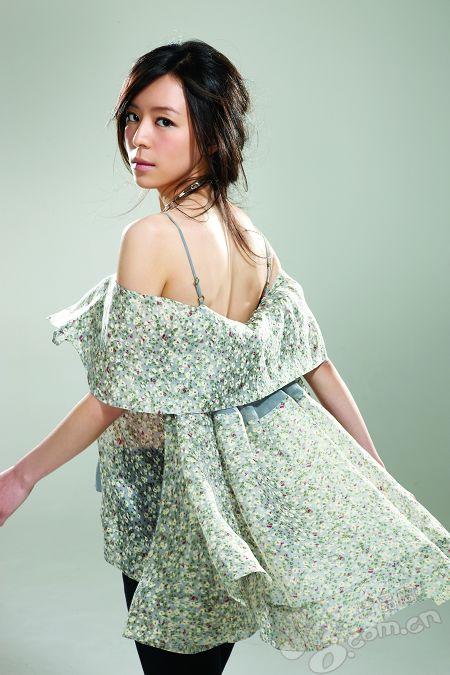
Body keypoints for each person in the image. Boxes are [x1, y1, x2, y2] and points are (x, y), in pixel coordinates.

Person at [1, 39, 449, 674]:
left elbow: (115, 395)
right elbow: (316, 364)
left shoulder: (150, 238)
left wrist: (21, 478)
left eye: (164, 121)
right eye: (132, 117)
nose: (138, 138)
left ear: (210, 136)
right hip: (234, 496)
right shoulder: (250, 235)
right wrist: (376, 477)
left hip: (172, 497)